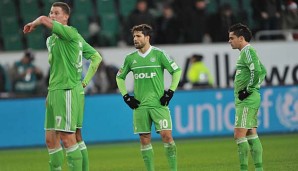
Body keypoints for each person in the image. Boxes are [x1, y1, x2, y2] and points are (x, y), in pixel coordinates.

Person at [23, 2, 102, 171]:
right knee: (50, 140)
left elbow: (96, 58)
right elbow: (58, 68)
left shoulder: (71, 33)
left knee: (68, 138)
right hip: (54, 91)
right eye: (51, 12)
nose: (52, 15)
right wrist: (50, 93)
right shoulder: (51, 40)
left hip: (67, 90)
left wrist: (85, 81)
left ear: (66, 17)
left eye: (56, 13)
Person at [116, 24, 181, 171]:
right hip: (140, 106)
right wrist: (126, 97)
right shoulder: (130, 58)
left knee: (167, 136)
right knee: (144, 139)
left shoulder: (159, 54)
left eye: (138, 36)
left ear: (147, 37)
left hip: (158, 104)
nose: (135, 39)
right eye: (134, 36)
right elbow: (119, 77)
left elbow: (176, 71)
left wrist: (170, 92)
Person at [228, 23, 267, 171]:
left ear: (241, 38)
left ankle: (244, 169)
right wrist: (253, 88)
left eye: (232, 38)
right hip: (247, 99)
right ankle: (258, 168)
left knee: (239, 135)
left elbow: (257, 71)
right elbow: (263, 70)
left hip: (247, 99)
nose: (229, 41)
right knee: (251, 133)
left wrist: (249, 89)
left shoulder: (248, 51)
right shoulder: (245, 52)